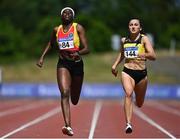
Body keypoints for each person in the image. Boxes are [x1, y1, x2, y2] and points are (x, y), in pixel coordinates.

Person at [37, 7, 89, 136]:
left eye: (69, 13)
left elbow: (87, 48)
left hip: (77, 64)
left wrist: (78, 53)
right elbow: (51, 43)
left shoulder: (78, 28)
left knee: (75, 100)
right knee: (65, 92)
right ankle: (68, 125)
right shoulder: (56, 30)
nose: (67, 14)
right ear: (61, 16)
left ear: (73, 16)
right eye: (64, 13)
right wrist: (42, 57)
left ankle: (72, 85)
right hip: (63, 63)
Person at [111, 18, 156, 134]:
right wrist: (115, 65)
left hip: (141, 74)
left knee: (139, 104)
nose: (133, 26)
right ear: (128, 27)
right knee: (128, 94)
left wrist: (143, 54)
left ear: (140, 28)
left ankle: (136, 102)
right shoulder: (124, 40)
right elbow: (122, 53)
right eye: (131, 25)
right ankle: (128, 124)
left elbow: (153, 56)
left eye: (136, 25)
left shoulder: (143, 39)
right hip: (127, 71)